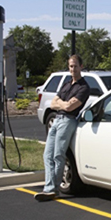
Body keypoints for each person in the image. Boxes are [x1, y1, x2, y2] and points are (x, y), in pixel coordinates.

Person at [34, 54, 90, 202]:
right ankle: (50, 187)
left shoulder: (84, 87)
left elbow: (70, 106)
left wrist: (62, 103)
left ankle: (52, 189)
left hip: (68, 121)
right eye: (71, 66)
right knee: (47, 155)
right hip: (57, 120)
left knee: (58, 155)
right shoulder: (66, 84)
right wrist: (62, 104)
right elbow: (53, 103)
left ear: (81, 67)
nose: (73, 69)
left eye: (75, 66)